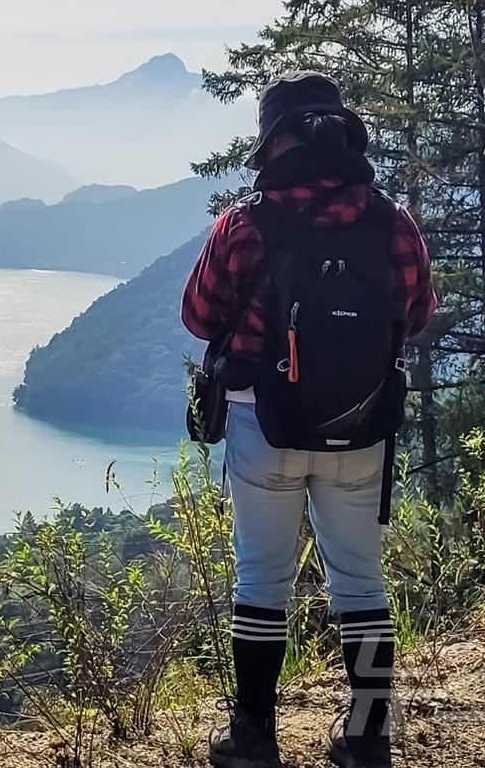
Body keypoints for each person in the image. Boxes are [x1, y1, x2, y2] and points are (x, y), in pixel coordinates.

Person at [182, 71, 436, 768]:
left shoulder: (246, 221)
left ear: (274, 137)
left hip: (263, 421)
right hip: (361, 424)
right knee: (360, 578)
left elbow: (199, 315)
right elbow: (414, 316)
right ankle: (365, 736)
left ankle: (254, 737)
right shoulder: (391, 220)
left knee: (261, 576)